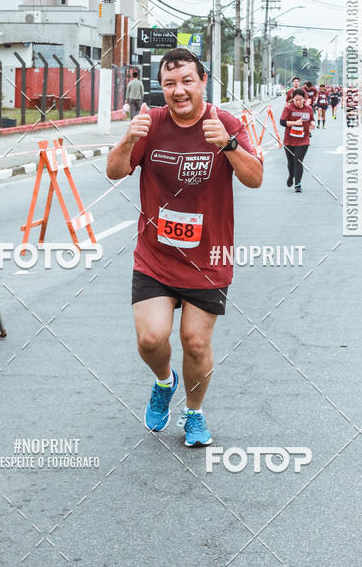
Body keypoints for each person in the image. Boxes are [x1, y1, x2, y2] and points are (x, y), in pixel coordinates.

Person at [106, 48, 263, 446]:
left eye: (186, 81)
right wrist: (128, 138)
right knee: (151, 339)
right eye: (170, 84)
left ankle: (193, 413)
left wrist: (228, 146)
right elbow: (114, 171)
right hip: (156, 256)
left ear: (203, 81)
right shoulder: (151, 123)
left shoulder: (224, 123)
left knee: (195, 342)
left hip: (208, 260)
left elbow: (256, 178)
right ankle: (163, 382)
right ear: (162, 87)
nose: (178, 91)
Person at [280, 91, 315, 192]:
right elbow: (282, 122)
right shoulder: (288, 108)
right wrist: (294, 123)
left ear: (304, 99)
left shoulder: (308, 109)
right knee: (291, 162)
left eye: (300, 100)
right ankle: (291, 176)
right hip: (289, 140)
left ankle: (298, 184)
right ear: (293, 99)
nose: (298, 102)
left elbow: (311, 119)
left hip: (303, 140)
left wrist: (312, 123)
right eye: (296, 100)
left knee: (298, 161)